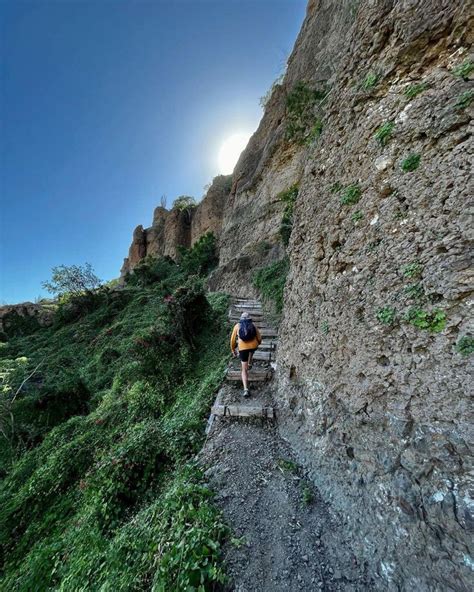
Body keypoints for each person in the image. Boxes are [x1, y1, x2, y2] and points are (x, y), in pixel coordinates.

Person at [230, 311, 262, 397]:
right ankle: (250, 361)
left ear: (240, 319)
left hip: (243, 349)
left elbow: (232, 340)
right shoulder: (253, 325)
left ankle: (246, 389)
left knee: (244, 370)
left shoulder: (237, 326)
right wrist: (258, 343)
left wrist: (233, 350)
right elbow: (259, 338)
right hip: (253, 346)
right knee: (251, 350)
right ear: (249, 318)